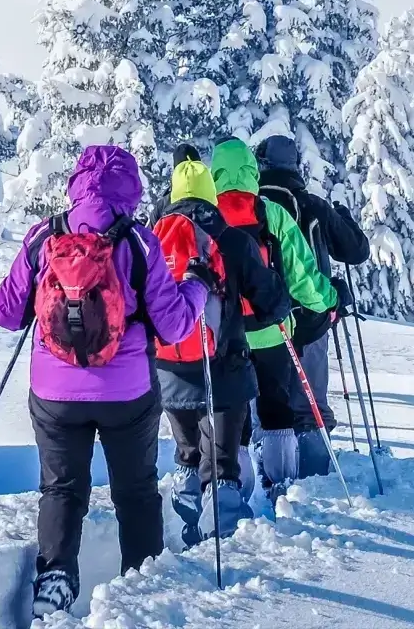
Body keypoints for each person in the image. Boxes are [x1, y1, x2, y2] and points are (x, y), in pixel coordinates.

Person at [0, 145, 212, 619]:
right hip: (127, 393)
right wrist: (197, 284)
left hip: (54, 394)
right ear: (131, 189)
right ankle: (143, 580)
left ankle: (54, 578)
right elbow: (173, 326)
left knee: (62, 488)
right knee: (136, 489)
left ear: (76, 183)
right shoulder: (139, 242)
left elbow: (4, 313)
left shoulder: (43, 236)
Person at [151, 145, 291, 545]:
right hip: (224, 369)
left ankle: (188, 525)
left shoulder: (152, 237)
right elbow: (271, 301)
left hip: (169, 370)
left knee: (187, 456)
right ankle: (226, 542)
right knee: (223, 463)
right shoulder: (230, 240)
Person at [210, 137, 339, 497]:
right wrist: (328, 300)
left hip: (224, 337)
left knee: (233, 419)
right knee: (276, 410)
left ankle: (235, 489)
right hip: (273, 332)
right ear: (253, 171)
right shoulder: (271, 213)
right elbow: (302, 277)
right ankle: (282, 486)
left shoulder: (206, 216)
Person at [255, 135, 371, 477]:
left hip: (262, 321)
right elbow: (357, 251)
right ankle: (313, 476)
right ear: (296, 167)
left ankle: (268, 472)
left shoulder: (251, 208)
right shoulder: (313, 205)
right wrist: (344, 218)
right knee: (310, 405)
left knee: (265, 400)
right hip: (311, 318)